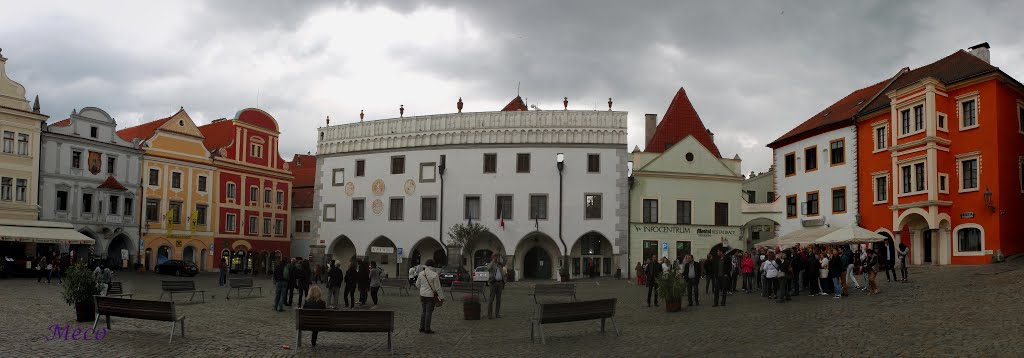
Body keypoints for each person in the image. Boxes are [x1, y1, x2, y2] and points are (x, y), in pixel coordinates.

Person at [416, 259, 443, 334]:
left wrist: (423, 288)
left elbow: (417, 285)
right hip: (430, 296)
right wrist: (441, 297)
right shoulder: (434, 274)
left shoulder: (421, 273)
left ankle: (421, 327)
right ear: (433, 265)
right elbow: (438, 288)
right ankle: (427, 329)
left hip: (422, 294)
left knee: (424, 311)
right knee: (429, 312)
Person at [486, 253, 506, 319]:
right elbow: (488, 268)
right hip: (493, 283)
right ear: (492, 257)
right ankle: (490, 315)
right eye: (495, 256)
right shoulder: (490, 264)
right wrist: (493, 260)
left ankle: (497, 314)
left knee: (498, 300)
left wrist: (501, 256)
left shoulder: (500, 264)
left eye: (497, 257)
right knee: (491, 299)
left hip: (500, 283)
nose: (496, 258)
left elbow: (505, 261)